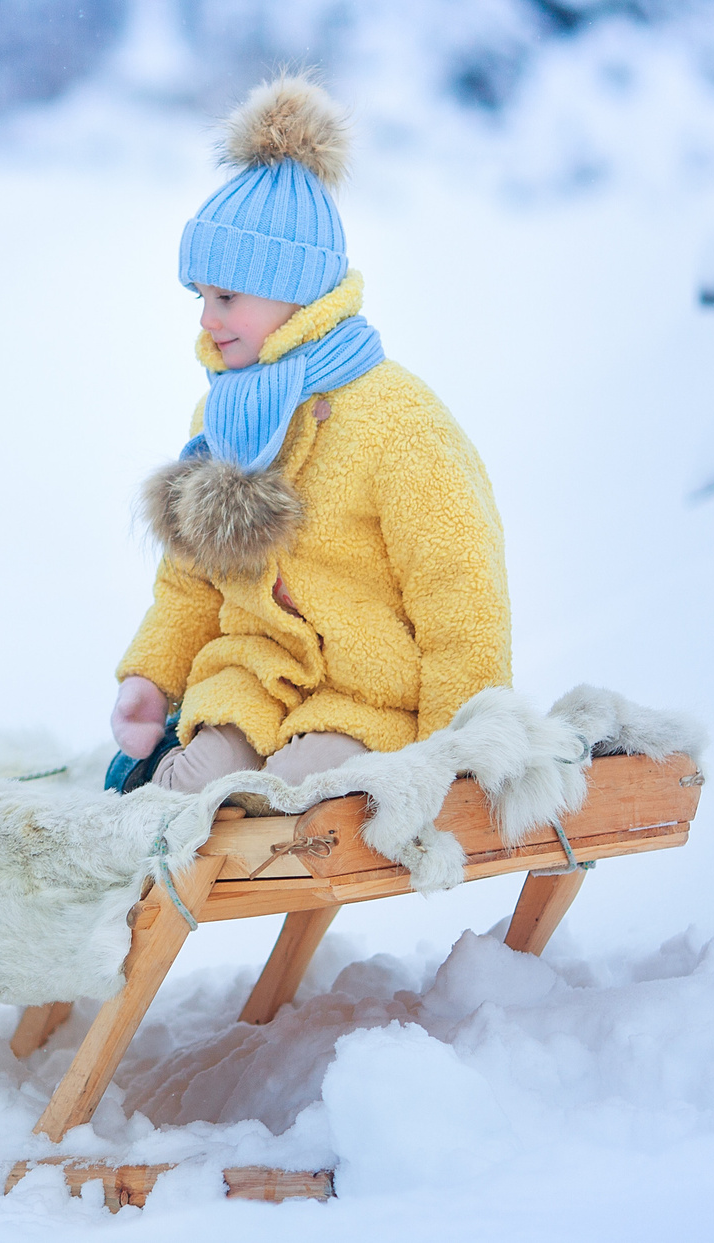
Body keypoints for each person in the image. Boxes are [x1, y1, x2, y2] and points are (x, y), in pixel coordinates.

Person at [109, 75, 511, 793]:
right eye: (200, 297)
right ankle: (152, 894)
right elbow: (191, 581)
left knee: (287, 795)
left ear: (295, 292)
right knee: (180, 790)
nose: (207, 320)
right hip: (253, 684)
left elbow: (459, 587)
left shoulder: (397, 420)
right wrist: (153, 674)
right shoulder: (222, 417)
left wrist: (460, 740)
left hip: (367, 698)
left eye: (227, 296)